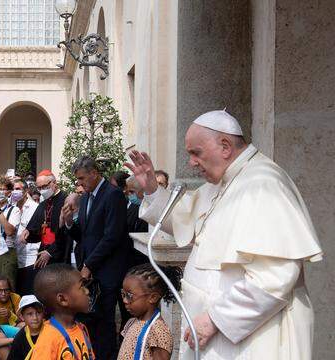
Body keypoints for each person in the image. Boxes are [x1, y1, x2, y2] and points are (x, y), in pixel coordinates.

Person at [126, 110, 323, 359]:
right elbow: (183, 219)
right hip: (221, 334)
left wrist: (215, 319)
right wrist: (153, 189)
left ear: (225, 146)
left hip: (252, 336)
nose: (191, 162)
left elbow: (274, 278)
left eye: (196, 152)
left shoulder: (263, 184)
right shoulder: (223, 183)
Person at [61, 156, 133, 359]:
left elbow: (112, 236)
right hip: (90, 273)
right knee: (91, 320)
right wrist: (68, 223)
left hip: (108, 271)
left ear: (94, 173)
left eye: (82, 179)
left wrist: (89, 265)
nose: (80, 184)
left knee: (106, 322)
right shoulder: (84, 199)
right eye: (77, 180)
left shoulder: (113, 195)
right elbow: (84, 235)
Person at [118, 264, 181, 360]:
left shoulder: (158, 331)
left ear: (153, 298)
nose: (124, 300)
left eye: (129, 296)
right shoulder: (132, 322)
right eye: (123, 294)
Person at [30, 264, 94, 360]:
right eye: (82, 286)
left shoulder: (82, 328)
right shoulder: (48, 340)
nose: (87, 291)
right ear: (62, 299)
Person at [24, 170, 71, 273]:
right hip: (43, 249)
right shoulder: (43, 203)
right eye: (39, 188)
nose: (41, 190)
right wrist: (28, 233)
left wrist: (50, 252)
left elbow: (66, 233)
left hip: (59, 252)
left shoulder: (65, 200)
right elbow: (35, 229)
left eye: (44, 187)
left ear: (54, 183)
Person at [13, 178, 41, 296]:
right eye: (13, 189)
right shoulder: (11, 208)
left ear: (25, 191)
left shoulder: (35, 208)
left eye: (18, 189)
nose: (14, 191)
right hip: (14, 259)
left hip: (30, 259)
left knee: (29, 295)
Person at [7, 295, 44, 360]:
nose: (35, 318)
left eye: (38, 313)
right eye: (30, 314)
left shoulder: (51, 331)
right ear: (22, 317)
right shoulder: (19, 338)